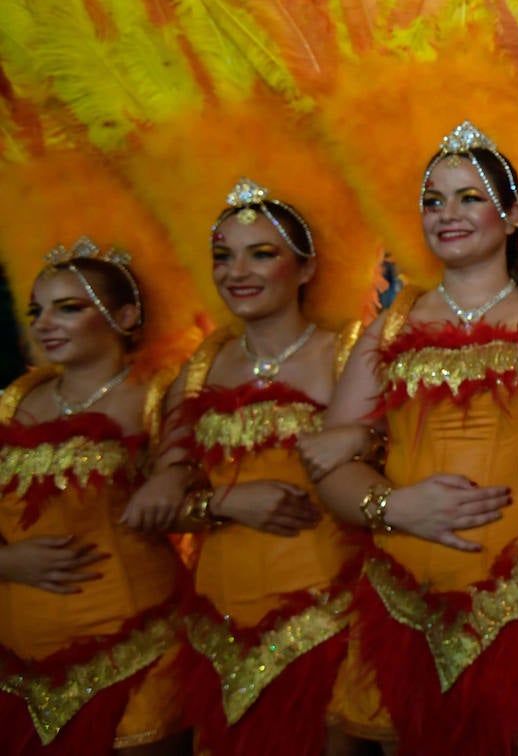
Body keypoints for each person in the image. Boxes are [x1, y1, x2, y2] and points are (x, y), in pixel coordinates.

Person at [311, 121, 518, 756]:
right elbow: (328, 463)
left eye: (469, 197)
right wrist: (395, 507)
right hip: (409, 602)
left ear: (513, 211)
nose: (448, 215)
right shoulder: (389, 329)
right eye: (433, 201)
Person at [121, 179, 361, 756]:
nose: (237, 272)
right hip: (220, 625)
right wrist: (225, 504)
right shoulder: (200, 370)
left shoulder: (347, 352)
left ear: (304, 270)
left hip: (334, 618)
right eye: (223, 257)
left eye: (262, 253)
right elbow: (148, 507)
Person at [0, 238, 187, 755]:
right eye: (36, 311)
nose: (44, 323)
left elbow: (190, 475)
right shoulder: (14, 401)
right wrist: (6, 559)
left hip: (139, 649)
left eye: (69, 308)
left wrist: (173, 475)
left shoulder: (158, 395)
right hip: (21, 661)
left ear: (124, 316)